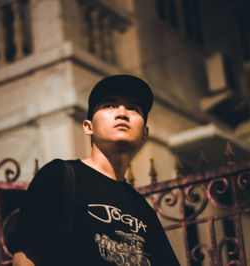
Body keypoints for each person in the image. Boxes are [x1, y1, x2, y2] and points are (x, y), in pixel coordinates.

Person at [12, 74, 180, 265]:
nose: (122, 113)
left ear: (145, 133)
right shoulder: (59, 176)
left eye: (133, 108)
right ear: (88, 126)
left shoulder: (144, 210)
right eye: (109, 105)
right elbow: (26, 257)